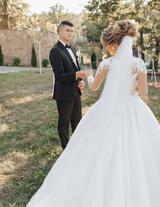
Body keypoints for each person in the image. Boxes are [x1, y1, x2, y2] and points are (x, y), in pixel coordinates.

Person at [27, 19, 160, 207]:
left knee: (98, 146)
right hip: (133, 108)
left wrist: (88, 75)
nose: (106, 49)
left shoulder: (106, 64)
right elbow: (144, 92)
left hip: (106, 109)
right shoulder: (138, 64)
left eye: (107, 46)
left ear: (114, 44)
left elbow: (94, 87)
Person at [49, 20, 87, 150]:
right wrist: (77, 75)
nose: (70, 33)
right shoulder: (55, 51)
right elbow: (59, 75)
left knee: (77, 122)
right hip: (64, 94)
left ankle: (77, 148)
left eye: (72, 31)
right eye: (67, 30)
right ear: (60, 31)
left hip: (75, 92)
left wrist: (79, 82)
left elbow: (74, 69)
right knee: (64, 124)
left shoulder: (72, 49)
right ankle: (66, 151)